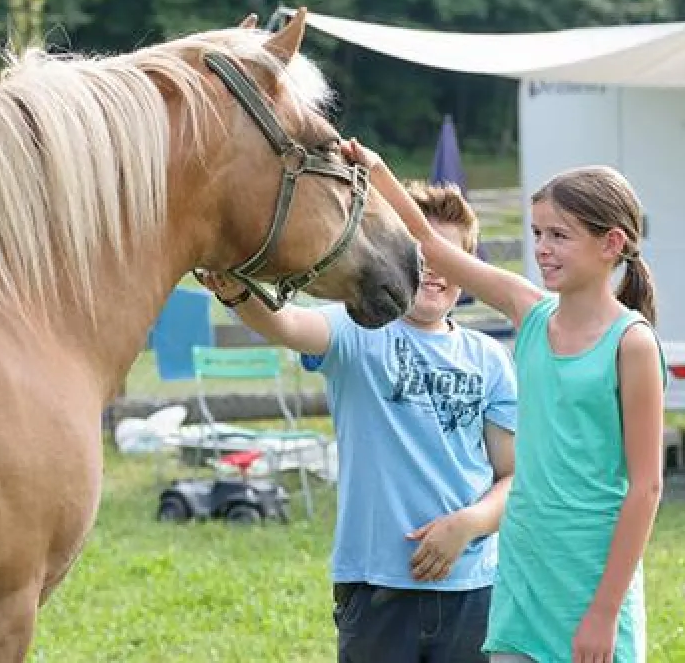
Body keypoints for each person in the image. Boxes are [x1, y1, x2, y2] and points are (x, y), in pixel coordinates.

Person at [343, 139, 666, 663]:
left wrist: (605, 613)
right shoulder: (530, 311)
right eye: (538, 232)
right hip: (522, 574)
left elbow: (646, 488)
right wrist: (378, 169)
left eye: (559, 235)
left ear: (611, 244)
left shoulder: (632, 343)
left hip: (590, 575)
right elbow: (427, 239)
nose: (542, 247)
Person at [200, 181, 518, 663]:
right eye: (418, 254)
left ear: (466, 268)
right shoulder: (356, 330)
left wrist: (469, 525)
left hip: (473, 588)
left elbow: (512, 475)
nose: (432, 271)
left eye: (447, 258)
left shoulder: (490, 358)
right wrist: (237, 292)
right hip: (375, 587)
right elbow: (284, 324)